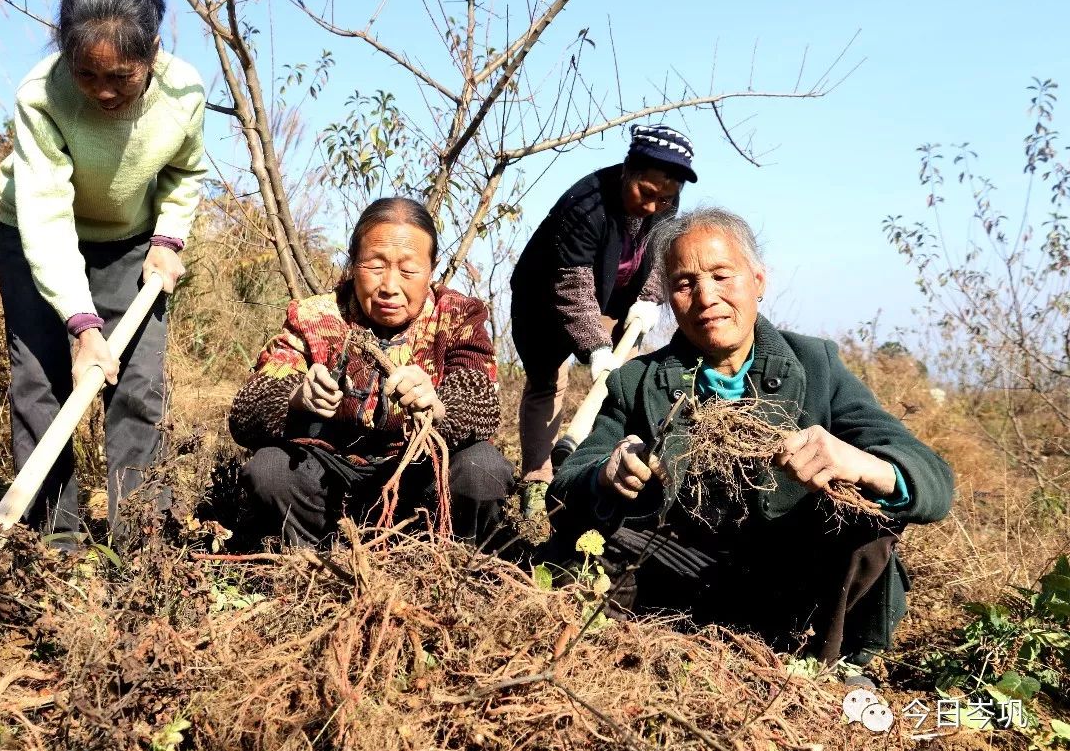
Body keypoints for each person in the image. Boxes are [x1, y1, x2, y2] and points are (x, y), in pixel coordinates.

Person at [545, 207, 954, 664]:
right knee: (596, 536)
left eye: (722, 276)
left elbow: (933, 481)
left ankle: (839, 665)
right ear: (669, 298)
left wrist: (865, 465)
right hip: (673, 586)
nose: (705, 297)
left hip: (794, 592)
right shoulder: (637, 381)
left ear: (758, 281)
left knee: (869, 513)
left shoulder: (817, 365)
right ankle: (628, 652)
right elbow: (564, 488)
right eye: (685, 283)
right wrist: (605, 473)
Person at [0, 0, 207, 540]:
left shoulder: (183, 92)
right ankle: (50, 543)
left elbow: (185, 172)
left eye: (120, 76)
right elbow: (45, 213)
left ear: (153, 55)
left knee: (137, 385)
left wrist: (167, 240)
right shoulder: (41, 96)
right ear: (65, 55)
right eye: (87, 74)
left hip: (131, 242)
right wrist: (83, 324)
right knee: (40, 382)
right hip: (33, 236)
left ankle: (139, 543)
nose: (104, 90)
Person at [229, 197, 512, 547]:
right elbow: (246, 412)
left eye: (409, 270)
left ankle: (453, 562)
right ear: (353, 263)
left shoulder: (457, 316)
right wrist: (296, 397)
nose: (390, 286)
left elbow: (480, 401)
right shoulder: (315, 317)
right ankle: (307, 564)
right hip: (331, 475)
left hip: (419, 476)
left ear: (431, 269)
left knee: (483, 469)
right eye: (375, 266)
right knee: (270, 470)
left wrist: (438, 405)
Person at [510, 124, 697, 512]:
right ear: (629, 168)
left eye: (665, 199)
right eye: (646, 193)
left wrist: (648, 298)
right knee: (549, 380)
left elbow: (660, 253)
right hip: (545, 298)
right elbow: (572, 287)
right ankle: (537, 480)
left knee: (623, 378)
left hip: (613, 295)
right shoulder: (586, 203)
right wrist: (595, 346)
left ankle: (588, 464)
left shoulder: (665, 202)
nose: (653, 206)